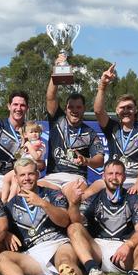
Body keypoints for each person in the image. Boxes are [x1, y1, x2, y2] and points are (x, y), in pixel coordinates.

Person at [0, 158, 87, 275]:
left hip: (58, 244)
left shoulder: (53, 194)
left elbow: (64, 221)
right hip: (32, 254)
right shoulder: (10, 206)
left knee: (65, 262)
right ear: (15, 178)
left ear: (38, 175)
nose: (27, 178)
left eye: (31, 174)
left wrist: (43, 204)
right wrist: (6, 233)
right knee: (3, 258)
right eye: (22, 175)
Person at [67, 159, 138, 275]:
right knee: (73, 228)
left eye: (118, 174)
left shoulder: (134, 198)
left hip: (123, 253)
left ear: (125, 177)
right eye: (110, 174)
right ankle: (93, 270)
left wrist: (129, 245)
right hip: (97, 250)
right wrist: (73, 204)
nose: (113, 177)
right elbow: (77, 221)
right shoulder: (93, 198)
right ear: (103, 176)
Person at [42, 55, 104, 198]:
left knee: (75, 196)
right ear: (65, 108)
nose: (74, 110)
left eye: (78, 107)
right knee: (34, 192)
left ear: (83, 109)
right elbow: (51, 96)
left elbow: (99, 159)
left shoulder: (90, 133)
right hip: (53, 176)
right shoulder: (57, 120)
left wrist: (86, 160)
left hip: (75, 177)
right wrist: (56, 72)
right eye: (71, 107)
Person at [87, 63, 138, 196]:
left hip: (135, 178)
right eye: (122, 108)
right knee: (85, 196)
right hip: (112, 178)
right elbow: (98, 111)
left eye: (129, 107)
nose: (126, 111)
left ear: (136, 110)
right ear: (117, 111)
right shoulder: (112, 127)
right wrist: (103, 86)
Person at [0, 121, 46, 202]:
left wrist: (29, 146)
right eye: (31, 132)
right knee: (7, 177)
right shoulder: (26, 143)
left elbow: (37, 157)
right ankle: (3, 199)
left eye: (36, 132)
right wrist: (23, 141)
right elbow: (18, 156)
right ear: (26, 135)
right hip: (22, 168)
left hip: (33, 169)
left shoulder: (40, 144)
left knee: (15, 182)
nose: (34, 134)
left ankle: (10, 201)